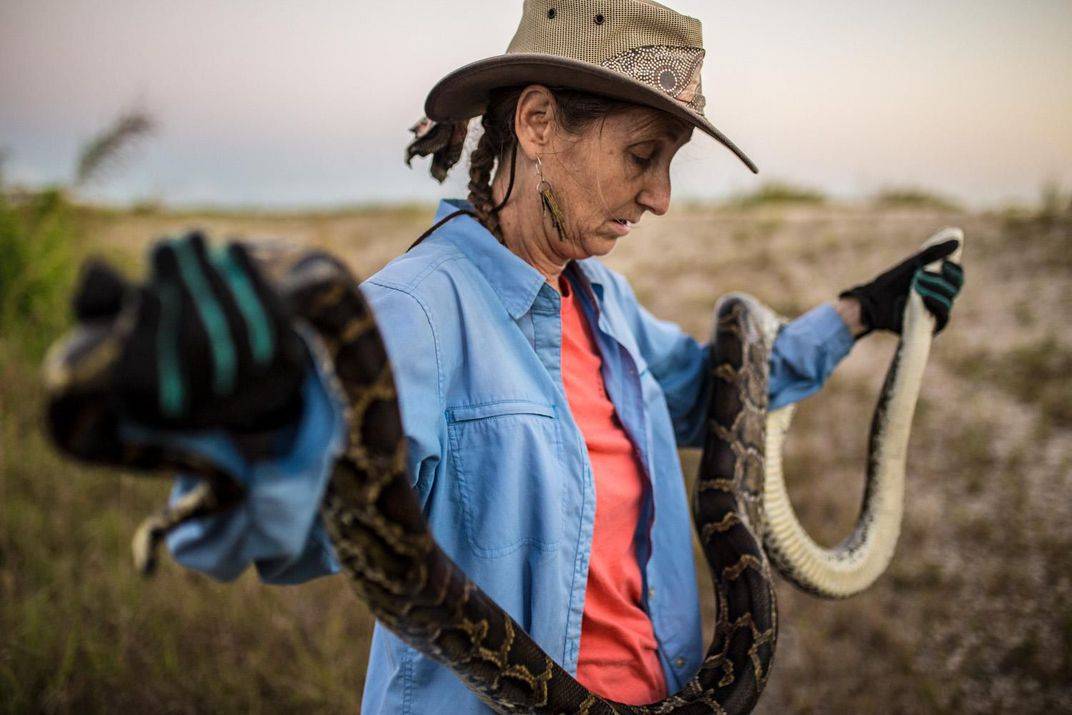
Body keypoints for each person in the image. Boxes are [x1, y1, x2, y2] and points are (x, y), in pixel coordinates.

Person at [103, 1, 964, 711]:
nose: (661, 197)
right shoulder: (411, 318)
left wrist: (858, 314)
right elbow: (254, 525)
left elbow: (710, 394)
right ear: (540, 122)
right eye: (641, 156)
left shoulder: (599, 299)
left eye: (669, 164)